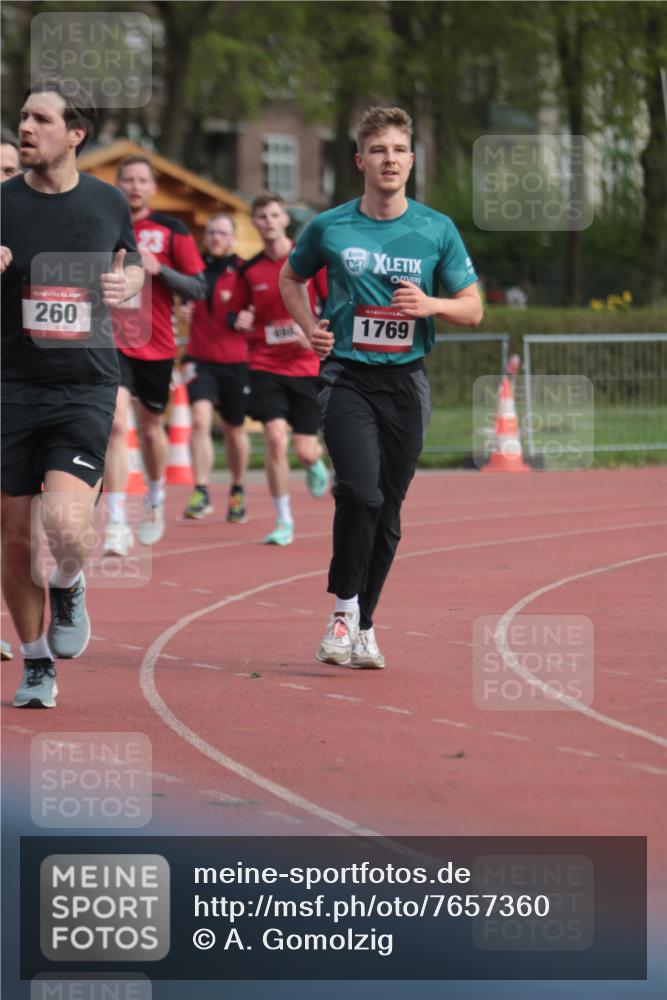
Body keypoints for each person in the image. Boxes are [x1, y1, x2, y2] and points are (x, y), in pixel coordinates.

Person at [280, 106, 483, 669]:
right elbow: (290, 276)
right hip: (346, 377)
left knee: (388, 511)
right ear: (360, 161)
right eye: (378, 150)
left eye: (398, 150)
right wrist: (308, 328)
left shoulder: (436, 228)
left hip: (406, 383)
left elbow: (474, 308)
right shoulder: (330, 226)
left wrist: (431, 304)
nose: (389, 159)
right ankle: (343, 609)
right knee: (360, 492)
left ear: (411, 161)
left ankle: (364, 625)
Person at [1, 79, 143, 708]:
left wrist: (128, 284)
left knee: (63, 525)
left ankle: (70, 581)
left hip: (85, 383)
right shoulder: (1, 202)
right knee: (13, 538)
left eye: (40, 119)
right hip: (10, 385)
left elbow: (131, 261)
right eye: (23, 118)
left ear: (75, 134)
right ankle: (35, 664)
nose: (25, 129)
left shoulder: (109, 202)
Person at [103, 154, 206, 556]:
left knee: (149, 430)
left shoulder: (172, 230)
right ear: (117, 183)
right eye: (126, 179)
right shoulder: (105, 224)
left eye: (141, 179)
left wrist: (158, 270)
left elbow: (198, 289)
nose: (134, 186)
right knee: (114, 425)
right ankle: (115, 523)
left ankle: (156, 495)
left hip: (157, 344)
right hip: (110, 341)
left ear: (152, 186)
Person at [228, 193, 329, 546]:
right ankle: (283, 519)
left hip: (305, 366)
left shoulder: (310, 262)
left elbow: (332, 304)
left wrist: (314, 330)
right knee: (273, 437)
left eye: (274, 215)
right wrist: (238, 319)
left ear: (284, 219)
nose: (268, 222)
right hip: (264, 364)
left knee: (303, 449)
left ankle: (314, 463)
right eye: (261, 217)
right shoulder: (249, 269)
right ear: (255, 223)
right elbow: (235, 312)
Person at [180, 213, 249, 522]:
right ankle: (201, 489)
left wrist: (250, 318)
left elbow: (262, 306)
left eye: (222, 232)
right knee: (199, 419)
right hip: (199, 358)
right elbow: (180, 303)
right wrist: (181, 309)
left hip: (236, 361)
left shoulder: (244, 271)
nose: (216, 237)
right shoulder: (193, 270)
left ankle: (237, 489)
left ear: (233, 238)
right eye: (211, 232)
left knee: (234, 430)